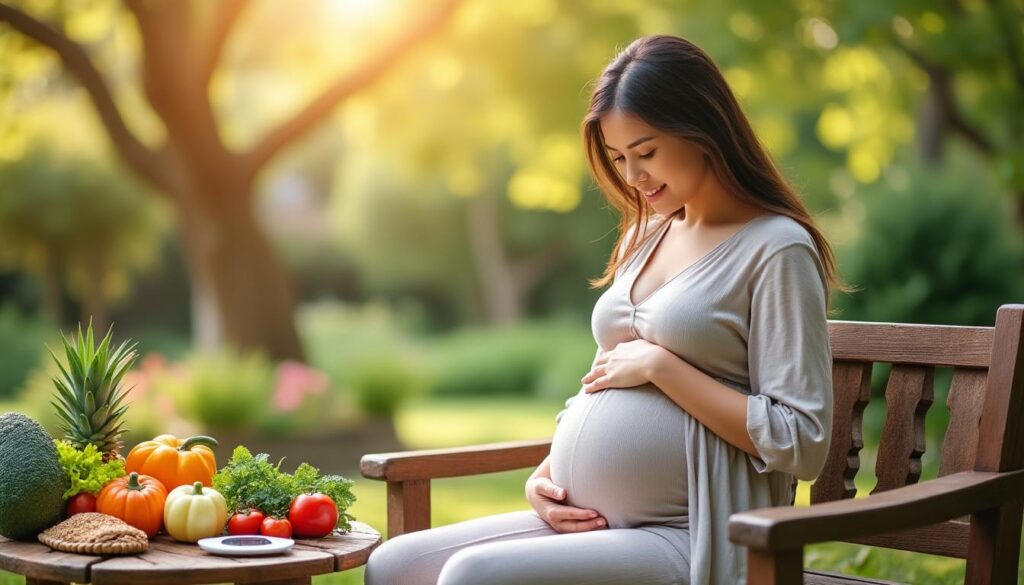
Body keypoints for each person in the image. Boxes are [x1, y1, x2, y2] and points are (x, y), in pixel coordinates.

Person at [364, 33, 847, 585]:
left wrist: (662, 367)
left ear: (703, 129)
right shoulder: (647, 233)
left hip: (699, 534)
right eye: (619, 158)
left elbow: (802, 440)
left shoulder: (776, 247)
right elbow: (602, 380)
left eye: (646, 152)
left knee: (473, 576)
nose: (633, 177)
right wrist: (543, 480)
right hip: (593, 524)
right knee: (395, 566)